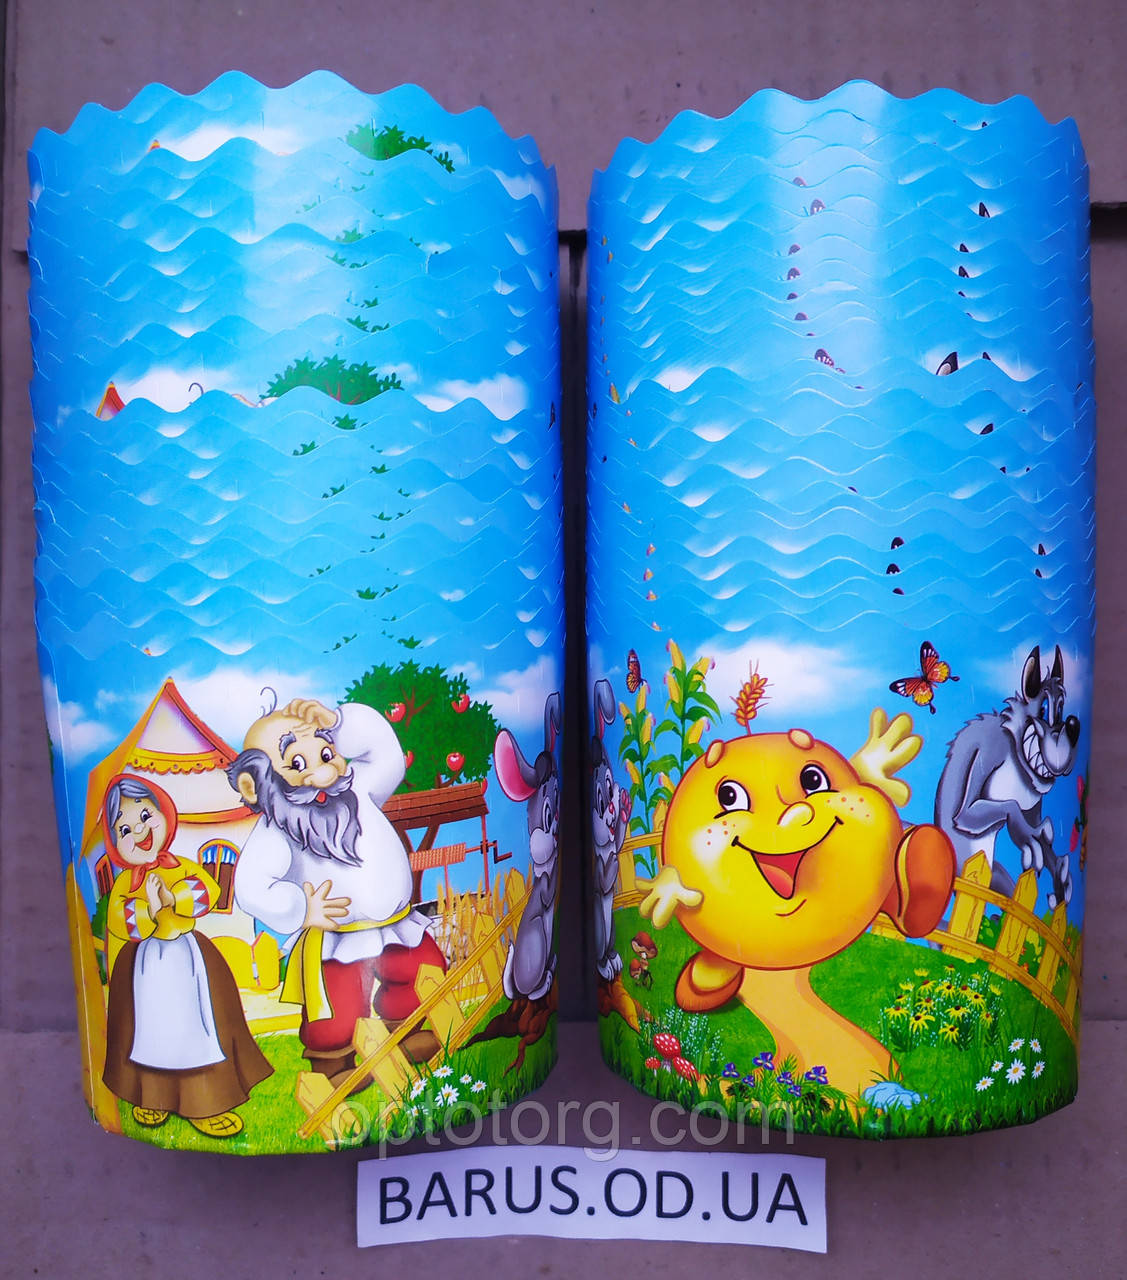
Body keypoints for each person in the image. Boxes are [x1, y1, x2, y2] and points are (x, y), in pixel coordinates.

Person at [230, 696, 446, 1088]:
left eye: (326, 751)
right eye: (297, 763)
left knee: (419, 969)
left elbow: (388, 756)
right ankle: (334, 1065)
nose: (323, 771)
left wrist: (339, 722)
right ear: (258, 784)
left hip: (395, 925)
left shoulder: (358, 788)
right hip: (336, 939)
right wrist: (300, 908)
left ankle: (407, 1031)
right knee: (335, 1010)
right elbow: (251, 886)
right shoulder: (277, 830)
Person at [100, 774, 272, 1137]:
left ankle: (205, 1101)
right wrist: (147, 910)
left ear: (163, 813)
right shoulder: (125, 883)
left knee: (200, 1029)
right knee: (148, 1033)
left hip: (187, 959)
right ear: (114, 843)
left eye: (145, 816)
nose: (139, 831)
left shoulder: (180, 867)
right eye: (125, 829)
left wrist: (172, 898)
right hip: (144, 967)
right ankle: (152, 1096)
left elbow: (209, 890)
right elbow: (118, 920)